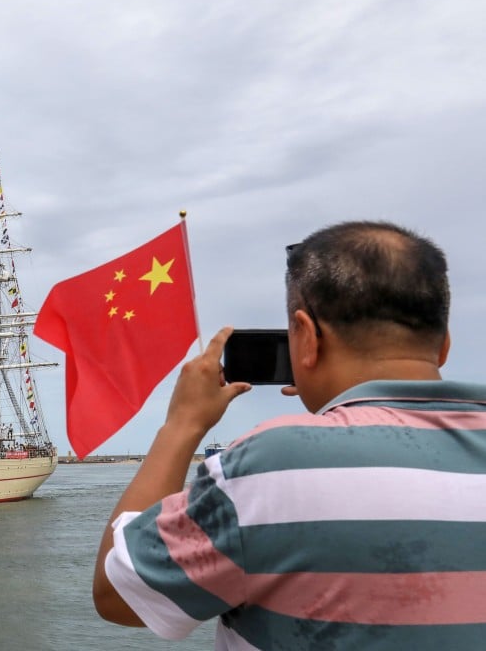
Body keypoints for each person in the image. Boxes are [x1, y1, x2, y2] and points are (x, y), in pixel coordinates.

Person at [93, 221, 486, 649]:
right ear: (444, 344)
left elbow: (118, 595)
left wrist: (181, 425)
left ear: (306, 337)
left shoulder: (271, 466)